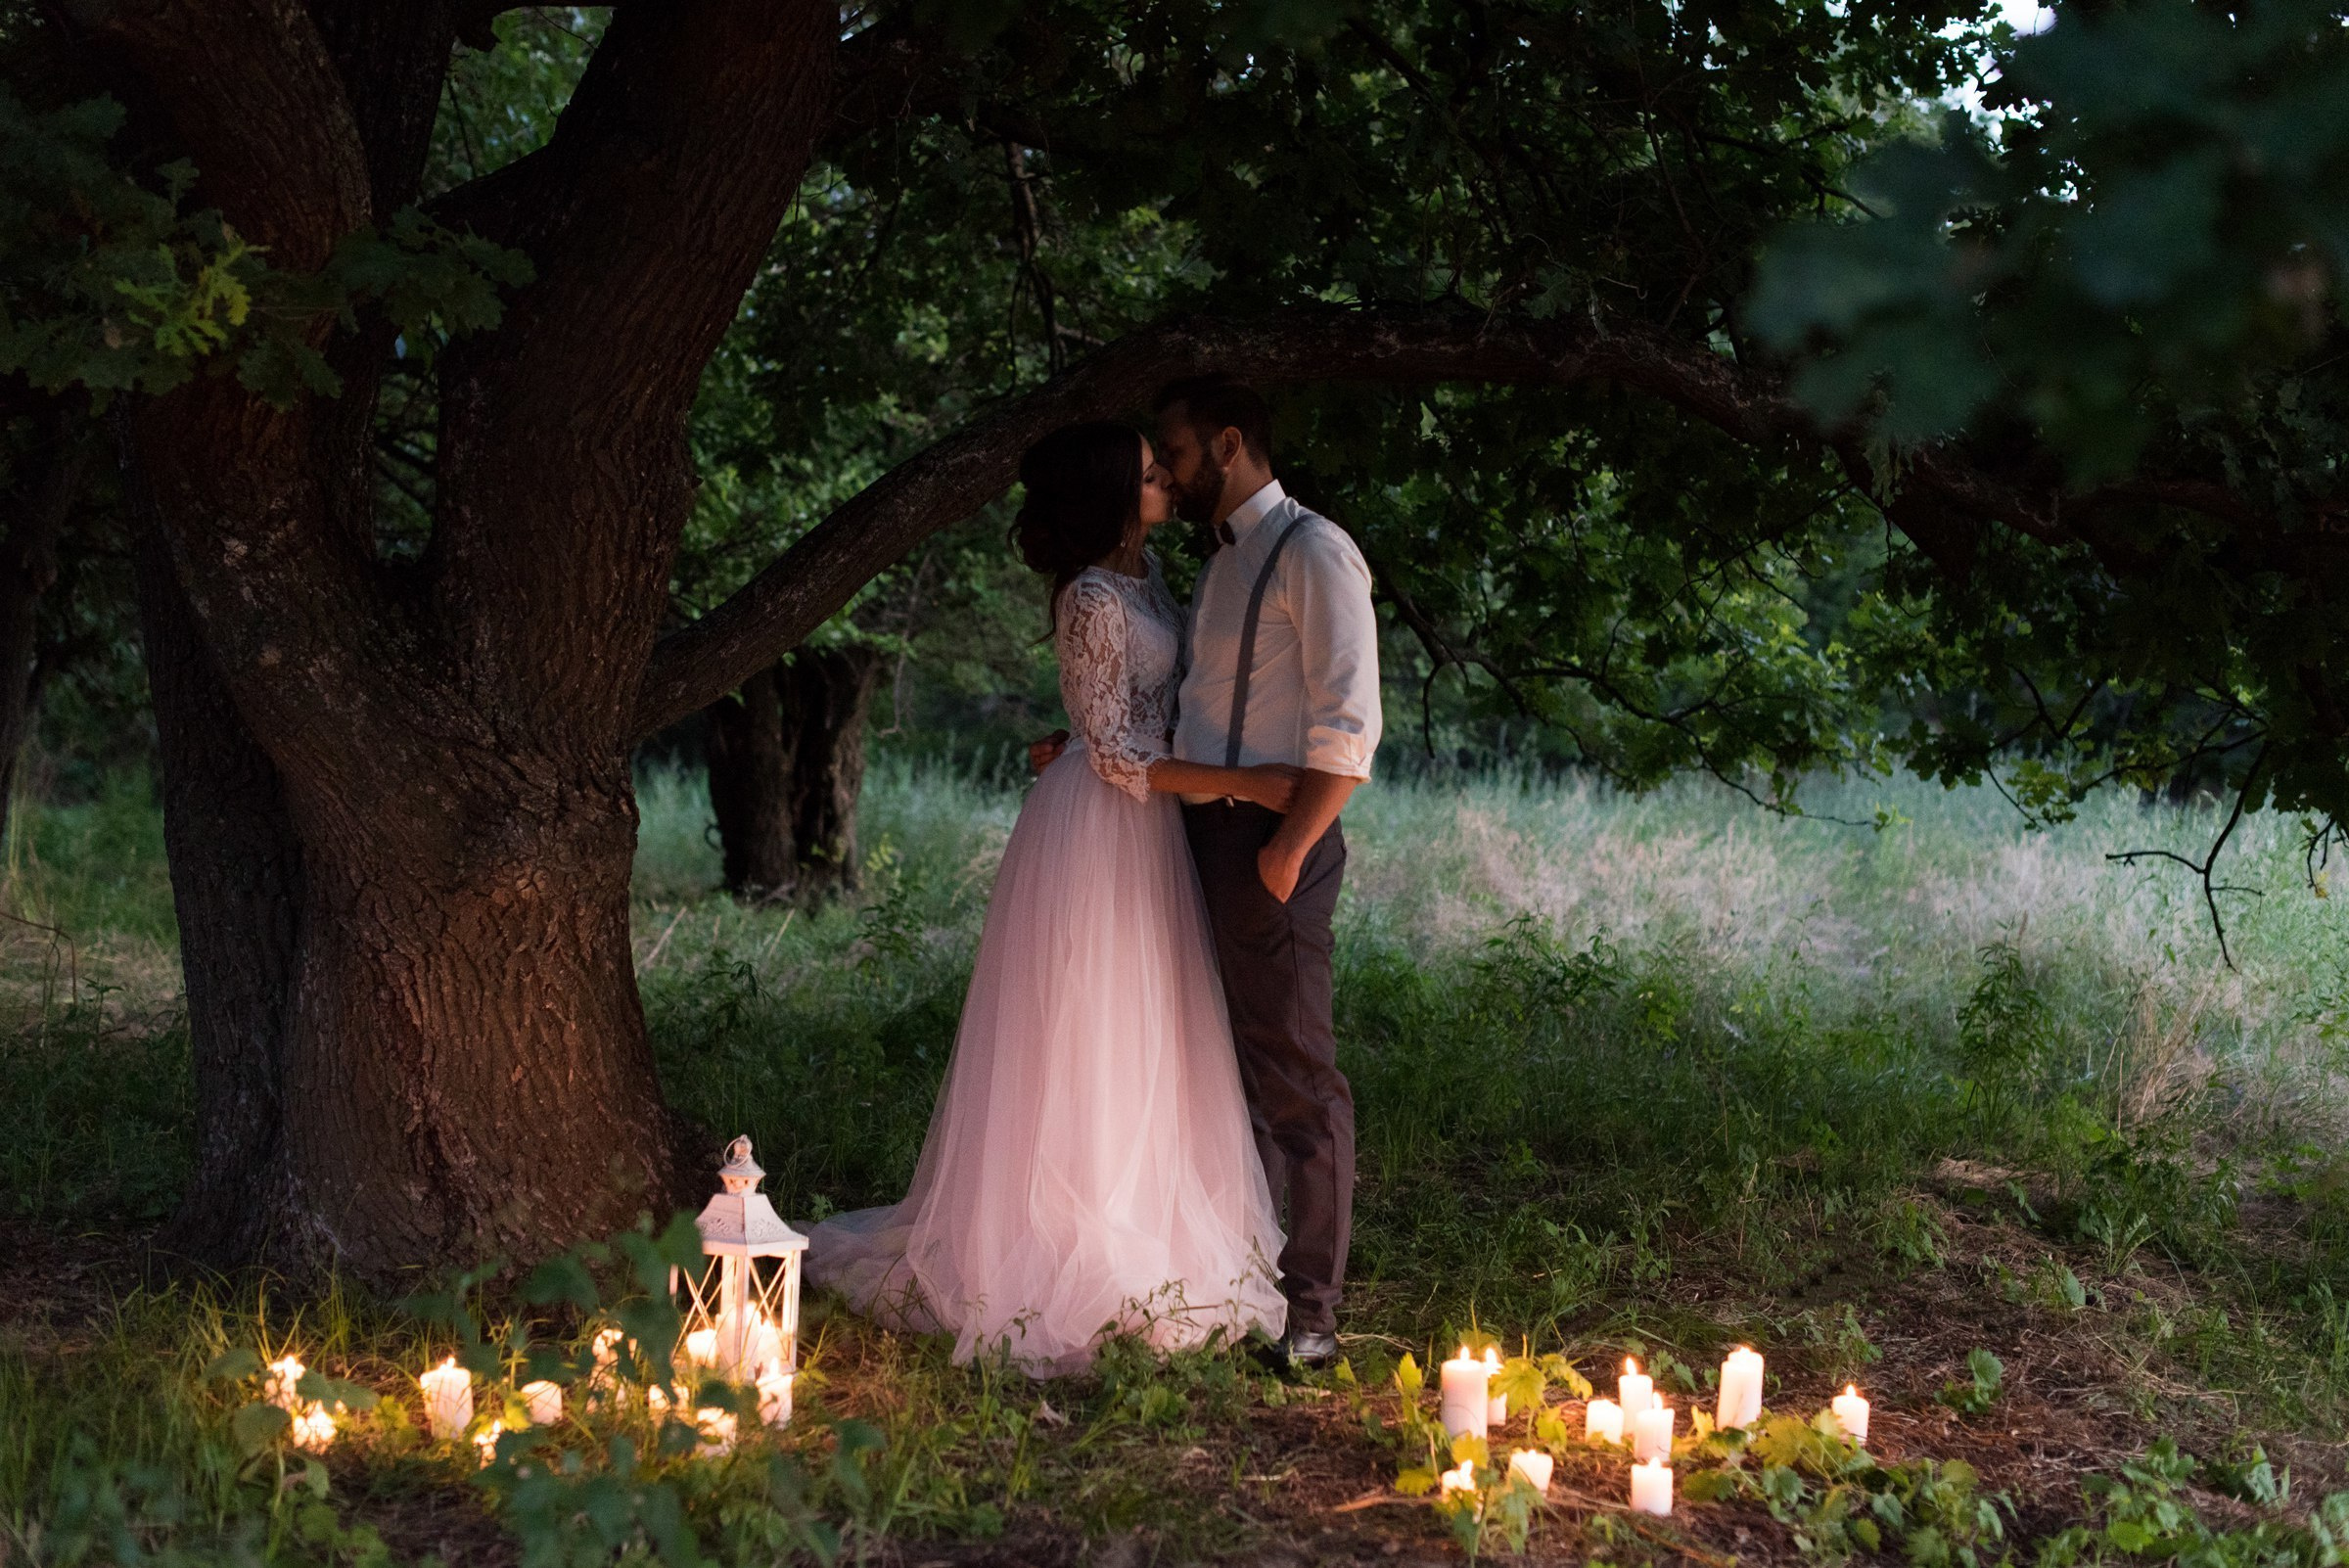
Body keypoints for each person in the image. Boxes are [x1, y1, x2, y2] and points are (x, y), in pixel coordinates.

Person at [806, 421, 1298, 1376]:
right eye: (1148, 474)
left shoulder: (1148, 576)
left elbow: (1135, 708)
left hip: (1149, 821)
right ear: (1112, 494)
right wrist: (1237, 783)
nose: (1165, 482)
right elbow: (1111, 749)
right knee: (1090, 1015)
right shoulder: (1088, 596)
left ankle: (1148, 1207)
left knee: (1152, 1013)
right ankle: (1070, 1229)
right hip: (1103, 821)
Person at [1033, 377, 1382, 1370]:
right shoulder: (1214, 566)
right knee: (1218, 1066)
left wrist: (1286, 848)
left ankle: (1312, 1314)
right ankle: (1241, 1273)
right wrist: (1078, 741)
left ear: (1229, 445)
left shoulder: (1314, 552)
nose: (1171, 477)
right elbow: (1172, 701)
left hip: (1269, 839)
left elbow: (1350, 728)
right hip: (1188, 838)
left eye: (1176, 456)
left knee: (1294, 1070)